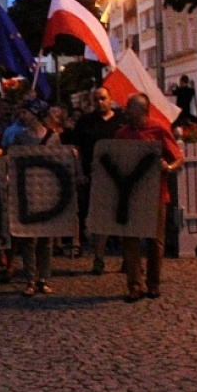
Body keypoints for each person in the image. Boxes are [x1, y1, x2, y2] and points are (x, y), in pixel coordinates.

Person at [115, 93, 184, 303]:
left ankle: (153, 283)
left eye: (130, 108)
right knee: (130, 240)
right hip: (131, 194)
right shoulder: (122, 134)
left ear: (143, 111)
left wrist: (168, 167)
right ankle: (134, 285)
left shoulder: (159, 129)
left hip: (155, 193)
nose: (126, 111)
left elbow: (178, 157)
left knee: (155, 241)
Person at [70, 87, 126, 275]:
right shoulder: (85, 122)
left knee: (123, 218)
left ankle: (128, 258)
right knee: (99, 219)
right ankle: (99, 258)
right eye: (96, 100)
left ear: (110, 99)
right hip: (94, 176)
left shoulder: (121, 121)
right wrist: (80, 172)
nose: (100, 102)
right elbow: (77, 149)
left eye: (103, 98)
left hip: (121, 177)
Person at [7, 105, 59, 296]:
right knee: (29, 239)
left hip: (47, 191)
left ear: (36, 115)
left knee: (46, 239)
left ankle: (43, 278)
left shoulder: (53, 137)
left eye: (26, 112)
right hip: (27, 191)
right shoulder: (20, 137)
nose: (23, 115)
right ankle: (30, 279)